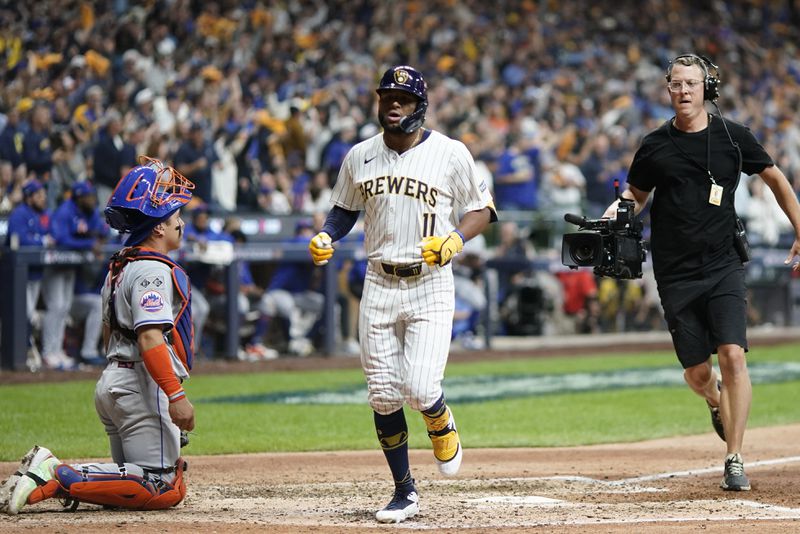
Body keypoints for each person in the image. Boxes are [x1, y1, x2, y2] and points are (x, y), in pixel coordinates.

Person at [602, 54, 800, 492]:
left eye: (692, 83)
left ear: (707, 88)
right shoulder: (654, 144)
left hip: (724, 263)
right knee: (696, 372)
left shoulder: (734, 137)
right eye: (677, 84)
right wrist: (612, 219)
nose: (684, 91)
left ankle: (734, 456)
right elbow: (635, 193)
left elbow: (775, 178)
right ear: (667, 88)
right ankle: (712, 399)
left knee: (732, 354)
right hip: (674, 271)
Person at [308, 65, 496, 523]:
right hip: (379, 281)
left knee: (420, 386)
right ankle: (404, 491)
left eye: (403, 98)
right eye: (386, 97)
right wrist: (327, 236)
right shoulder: (360, 155)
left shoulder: (450, 153)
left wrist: (455, 239)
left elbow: (484, 209)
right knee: (383, 395)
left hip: (430, 282)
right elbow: (343, 209)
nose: (392, 104)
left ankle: (439, 418)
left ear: (420, 106)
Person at [0, 156, 196, 514]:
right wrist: (175, 394)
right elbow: (150, 339)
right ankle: (55, 473)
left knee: (127, 487)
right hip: (140, 384)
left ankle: (53, 479)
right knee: (162, 485)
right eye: (174, 217)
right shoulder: (152, 270)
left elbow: (110, 333)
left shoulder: (122, 264)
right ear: (157, 229)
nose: (180, 223)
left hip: (114, 382)